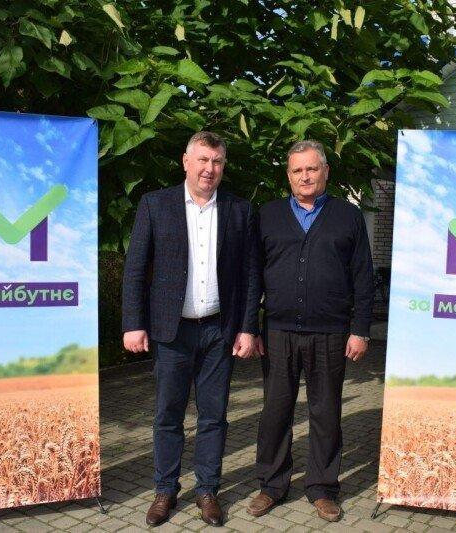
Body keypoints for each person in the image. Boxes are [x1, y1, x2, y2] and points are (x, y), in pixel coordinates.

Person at [122, 131, 260, 527]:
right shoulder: (155, 204)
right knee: (168, 414)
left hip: (219, 331)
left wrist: (248, 328)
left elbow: (250, 275)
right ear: (186, 162)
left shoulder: (239, 210)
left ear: (223, 166)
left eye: (216, 162)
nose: (209, 169)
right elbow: (135, 268)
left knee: (214, 416)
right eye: (202, 160)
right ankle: (165, 490)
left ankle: (207, 490)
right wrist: (133, 323)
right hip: (172, 332)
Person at [247, 140, 374, 522]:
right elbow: (253, 276)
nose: (305, 176)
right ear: (288, 175)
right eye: (297, 170)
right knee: (275, 411)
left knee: (326, 412)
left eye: (312, 168)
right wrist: (249, 328)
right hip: (278, 332)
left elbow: (363, 276)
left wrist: (360, 330)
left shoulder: (348, 216)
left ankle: (322, 487)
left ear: (325, 172)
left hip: (331, 333)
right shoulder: (267, 215)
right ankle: (271, 485)